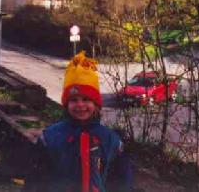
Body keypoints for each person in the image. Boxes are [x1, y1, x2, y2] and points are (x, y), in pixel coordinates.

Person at [27, 51, 133, 192]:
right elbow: (36, 180)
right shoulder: (50, 138)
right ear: (66, 104)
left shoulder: (110, 140)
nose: (80, 105)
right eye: (74, 100)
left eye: (86, 100)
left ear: (96, 104)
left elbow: (122, 182)